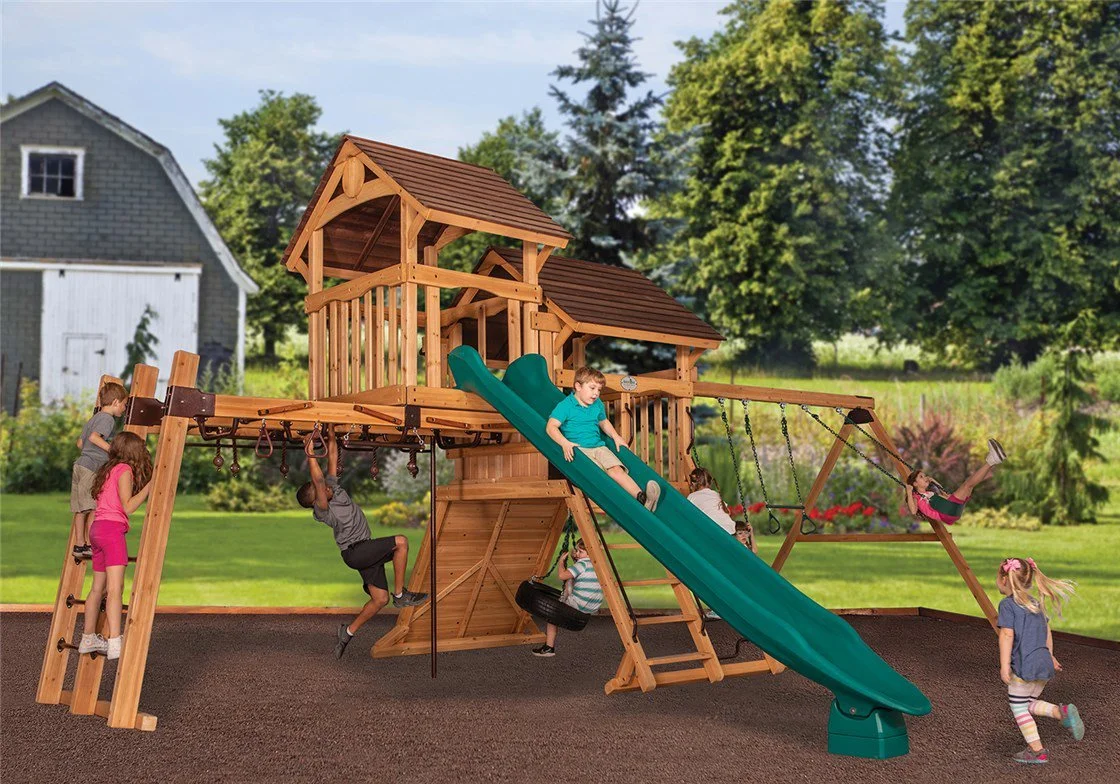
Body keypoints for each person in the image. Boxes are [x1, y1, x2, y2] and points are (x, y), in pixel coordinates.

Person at [296, 430, 427, 658]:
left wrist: (331, 431)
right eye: (320, 490)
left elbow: (333, 459)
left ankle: (346, 633)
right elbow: (317, 479)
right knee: (401, 542)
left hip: (364, 550)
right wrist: (309, 452)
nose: (325, 487)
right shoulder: (322, 511)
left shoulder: (334, 488)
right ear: (317, 500)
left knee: (379, 600)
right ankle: (400, 595)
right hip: (355, 552)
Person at [996, 557, 1083, 764]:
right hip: (1042, 663)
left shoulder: (1007, 605)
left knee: (1018, 707)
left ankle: (1037, 750)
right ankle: (1059, 712)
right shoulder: (1035, 603)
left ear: (1004, 579)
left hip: (1025, 666)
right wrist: (1050, 656)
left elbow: (1006, 635)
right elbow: (1047, 631)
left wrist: (1005, 665)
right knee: (1027, 703)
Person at [78, 432, 152, 660]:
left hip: (97, 531)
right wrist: (150, 487)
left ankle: (88, 638)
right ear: (132, 451)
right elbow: (128, 507)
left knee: (96, 588)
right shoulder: (125, 471)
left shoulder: (108, 470)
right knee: (115, 589)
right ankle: (115, 642)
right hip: (111, 532)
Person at [547, 366, 660, 512]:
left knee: (616, 469)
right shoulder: (565, 406)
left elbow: (603, 422)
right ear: (578, 386)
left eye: (599, 390)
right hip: (579, 450)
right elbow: (551, 427)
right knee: (600, 474)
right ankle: (626, 504)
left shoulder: (597, 404)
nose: (596, 394)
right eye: (592, 388)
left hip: (599, 446)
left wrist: (616, 436)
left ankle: (642, 498)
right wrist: (564, 443)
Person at [70, 383, 128, 558]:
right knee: (94, 508)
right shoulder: (107, 419)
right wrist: (113, 451)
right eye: (124, 405)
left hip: (81, 465)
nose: (124, 409)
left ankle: (80, 545)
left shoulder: (93, 418)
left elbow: (80, 443)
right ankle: (90, 544)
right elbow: (94, 438)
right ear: (116, 402)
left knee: (80, 509)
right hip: (91, 467)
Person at [902, 438, 1006, 525]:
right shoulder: (917, 497)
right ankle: (992, 460)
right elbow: (913, 510)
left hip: (953, 510)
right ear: (915, 484)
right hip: (948, 512)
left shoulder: (930, 493)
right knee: (967, 484)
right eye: (921, 477)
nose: (925, 478)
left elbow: (945, 494)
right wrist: (909, 491)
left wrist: (933, 481)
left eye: (924, 476)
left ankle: (993, 460)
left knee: (969, 485)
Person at [532, 539, 602, 657]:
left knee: (551, 615)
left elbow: (561, 576)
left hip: (578, 604)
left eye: (581, 551)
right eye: (577, 551)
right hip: (593, 606)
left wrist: (561, 562)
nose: (578, 554)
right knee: (574, 580)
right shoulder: (600, 565)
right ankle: (566, 598)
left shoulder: (582, 564)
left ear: (590, 553)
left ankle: (549, 648)